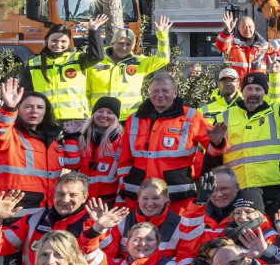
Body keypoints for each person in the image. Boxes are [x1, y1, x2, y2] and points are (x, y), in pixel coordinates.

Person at [0, 171, 123, 265]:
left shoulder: (97, 223)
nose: (65, 200)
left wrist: (97, 231)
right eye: (60, 194)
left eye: (72, 195)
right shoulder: (33, 221)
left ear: (84, 197)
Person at [117, 71, 212, 210]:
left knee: (179, 230)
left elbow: (215, 147)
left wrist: (217, 142)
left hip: (177, 197)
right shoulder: (134, 119)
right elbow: (124, 160)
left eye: (165, 91)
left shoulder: (191, 117)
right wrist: (124, 188)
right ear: (149, 93)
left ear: (175, 93)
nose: (160, 95)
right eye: (155, 91)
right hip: (138, 196)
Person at [211, 69, 280, 209]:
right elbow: (214, 156)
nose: (253, 93)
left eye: (258, 89)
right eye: (249, 89)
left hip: (273, 186)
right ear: (242, 90)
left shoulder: (277, 112)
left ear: (265, 92)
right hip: (238, 187)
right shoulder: (223, 117)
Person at [0, 76, 62, 211]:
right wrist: (9, 107)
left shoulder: (52, 144)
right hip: (10, 214)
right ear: (18, 109)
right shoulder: (10, 136)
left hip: (44, 214)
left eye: (40, 107)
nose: (34, 111)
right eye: (28, 106)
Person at [85, 14, 173, 118]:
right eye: (120, 43)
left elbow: (163, 58)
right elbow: (86, 90)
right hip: (100, 116)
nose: (124, 47)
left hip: (130, 118)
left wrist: (162, 35)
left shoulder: (139, 63)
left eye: (128, 44)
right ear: (112, 43)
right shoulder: (96, 61)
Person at [21, 20, 92, 129]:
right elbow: (26, 93)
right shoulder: (33, 63)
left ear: (69, 43)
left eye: (63, 41)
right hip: (46, 119)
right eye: (54, 41)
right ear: (47, 41)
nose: (58, 45)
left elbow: (98, 56)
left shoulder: (78, 59)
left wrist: (94, 32)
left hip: (76, 118)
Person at [64, 97, 128, 199]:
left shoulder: (123, 141)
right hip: (80, 199)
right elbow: (70, 164)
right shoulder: (80, 136)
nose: (104, 115)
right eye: (100, 111)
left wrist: (119, 201)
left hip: (108, 201)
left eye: (110, 112)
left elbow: (124, 176)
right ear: (93, 114)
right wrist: (71, 137)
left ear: (116, 117)